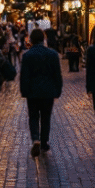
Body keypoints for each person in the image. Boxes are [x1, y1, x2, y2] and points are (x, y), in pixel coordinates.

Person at [19, 28, 63, 157]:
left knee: (33, 116)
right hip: (48, 91)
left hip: (32, 91)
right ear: (43, 39)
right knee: (46, 117)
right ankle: (44, 142)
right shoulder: (53, 54)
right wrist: (58, 90)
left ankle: (35, 139)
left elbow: (24, 76)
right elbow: (57, 75)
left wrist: (24, 91)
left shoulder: (27, 55)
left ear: (31, 40)